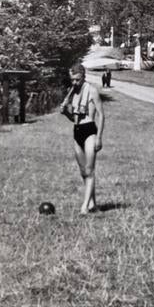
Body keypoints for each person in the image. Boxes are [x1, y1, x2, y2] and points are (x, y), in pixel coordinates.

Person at [60, 63, 105, 214]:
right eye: (72, 80)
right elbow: (75, 119)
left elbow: (101, 115)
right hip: (77, 131)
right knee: (82, 171)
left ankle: (84, 206)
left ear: (83, 77)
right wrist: (65, 112)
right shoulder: (72, 92)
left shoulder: (92, 90)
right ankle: (93, 204)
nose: (74, 83)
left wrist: (99, 138)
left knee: (89, 169)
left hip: (90, 131)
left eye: (77, 80)